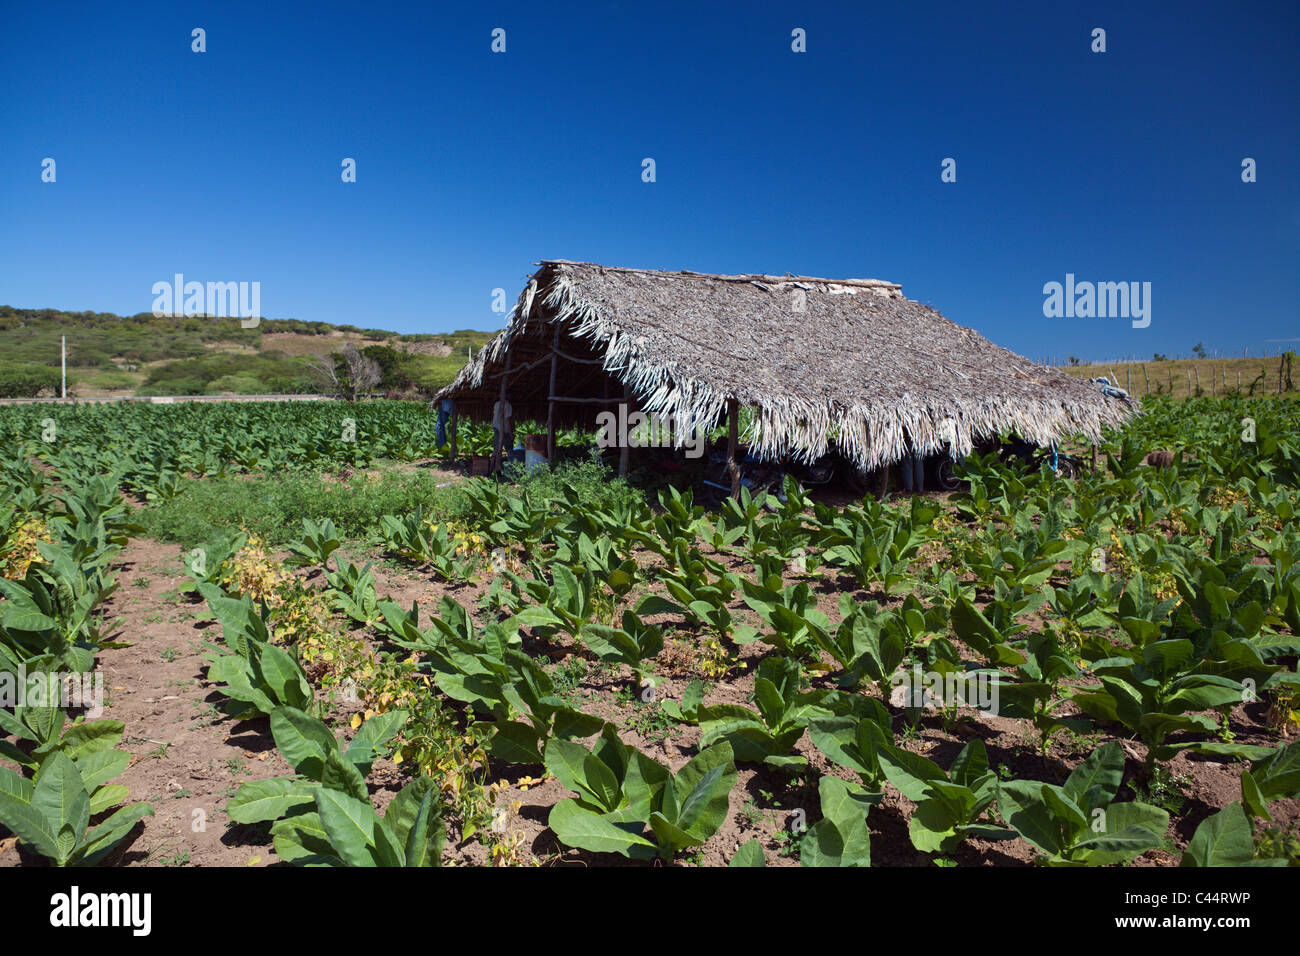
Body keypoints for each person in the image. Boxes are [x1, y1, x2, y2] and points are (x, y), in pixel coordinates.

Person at [492, 397, 513, 463]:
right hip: (504, 430)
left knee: (496, 449)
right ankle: (512, 466)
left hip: (496, 427)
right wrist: (510, 433)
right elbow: (507, 420)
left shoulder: (496, 404)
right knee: (509, 450)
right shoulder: (508, 405)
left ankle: (492, 467)